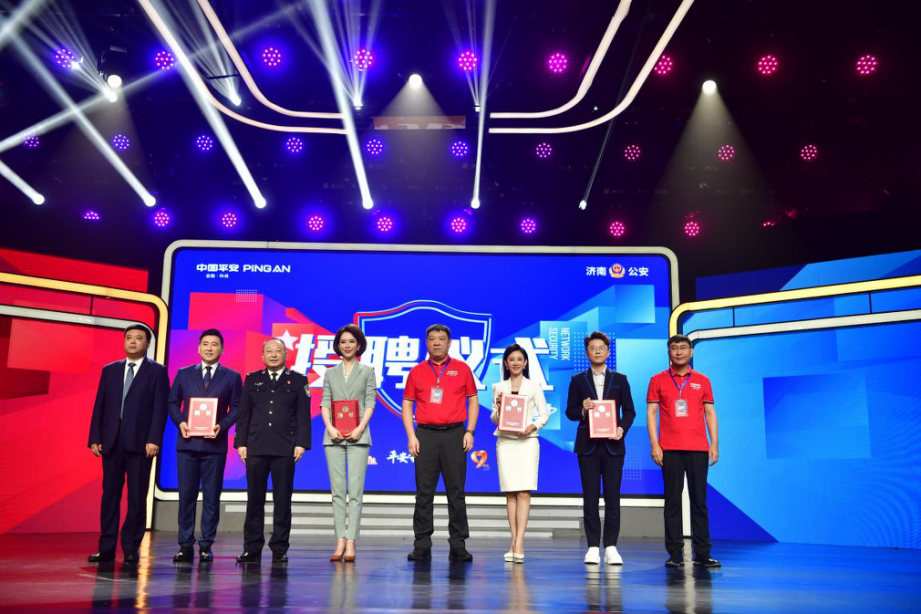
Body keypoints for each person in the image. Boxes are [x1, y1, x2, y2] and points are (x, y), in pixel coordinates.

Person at [87, 324, 169, 564]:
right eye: (129, 338)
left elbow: (160, 409)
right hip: (111, 441)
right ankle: (106, 548)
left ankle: (131, 547)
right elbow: (99, 405)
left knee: (137, 497)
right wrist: (95, 437)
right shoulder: (110, 370)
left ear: (147, 343)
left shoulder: (157, 372)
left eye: (138, 338)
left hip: (141, 444)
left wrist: (154, 438)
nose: (132, 342)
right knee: (109, 496)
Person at [402, 324, 479, 562]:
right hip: (425, 435)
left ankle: (458, 543)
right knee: (424, 493)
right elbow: (407, 405)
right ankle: (422, 543)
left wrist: (470, 431)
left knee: (456, 492)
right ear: (426, 343)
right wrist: (411, 435)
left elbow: (473, 401)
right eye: (432, 339)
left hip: (455, 434)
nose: (436, 343)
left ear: (449, 343)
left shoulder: (462, 369)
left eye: (441, 339)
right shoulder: (417, 371)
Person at [166, 328, 243, 563]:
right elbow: (172, 402)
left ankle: (206, 545)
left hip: (214, 446)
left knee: (211, 497)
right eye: (206, 344)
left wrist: (222, 425)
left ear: (222, 349)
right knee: (186, 497)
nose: (210, 348)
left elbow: (237, 407)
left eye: (214, 344)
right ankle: (185, 545)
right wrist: (181, 423)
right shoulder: (184, 373)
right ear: (199, 348)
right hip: (187, 444)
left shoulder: (232, 376)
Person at [646, 334, 721, 568]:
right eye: (674, 348)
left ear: (691, 352)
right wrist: (655, 444)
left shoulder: (702, 380)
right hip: (669, 449)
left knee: (700, 501)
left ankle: (703, 553)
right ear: (668, 352)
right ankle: (675, 553)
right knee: (672, 502)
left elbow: (710, 413)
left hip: (698, 448)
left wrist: (714, 444)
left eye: (683, 347)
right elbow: (651, 413)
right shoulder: (657, 380)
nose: (678, 351)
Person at [234, 338, 310, 563]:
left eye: (278, 351)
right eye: (269, 351)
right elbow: (244, 414)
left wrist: (301, 443)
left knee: (282, 499)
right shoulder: (252, 379)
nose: (274, 354)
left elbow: (303, 415)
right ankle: (252, 548)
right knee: (254, 500)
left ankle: (279, 548)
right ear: (262, 355)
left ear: (286, 354)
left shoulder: (298, 380)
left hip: (285, 447)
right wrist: (241, 443)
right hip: (256, 446)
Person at [565, 331, 636, 566]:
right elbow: (569, 412)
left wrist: (621, 428)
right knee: (590, 497)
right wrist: (582, 409)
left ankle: (612, 547)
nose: (597, 351)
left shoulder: (620, 379)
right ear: (587, 353)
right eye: (593, 348)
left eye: (601, 347)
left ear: (608, 352)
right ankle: (593, 547)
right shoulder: (577, 380)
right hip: (588, 446)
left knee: (613, 497)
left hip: (613, 445)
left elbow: (630, 411)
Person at [320, 324, 377, 563]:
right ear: (338, 345)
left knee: (355, 491)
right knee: (337, 491)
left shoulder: (367, 371)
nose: (347, 345)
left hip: (358, 435)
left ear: (359, 344)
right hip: (333, 436)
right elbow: (325, 402)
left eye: (351, 341)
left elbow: (370, 401)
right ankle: (339, 540)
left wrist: (360, 428)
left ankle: (351, 540)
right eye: (343, 342)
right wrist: (330, 427)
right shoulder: (330, 373)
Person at [490, 343, 550, 563]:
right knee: (510, 493)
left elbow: (544, 413)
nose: (515, 363)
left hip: (527, 442)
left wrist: (533, 426)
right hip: (506, 442)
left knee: (524, 492)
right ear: (506, 363)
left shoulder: (534, 386)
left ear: (525, 363)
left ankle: (520, 542)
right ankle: (513, 541)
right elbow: (495, 419)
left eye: (519, 359)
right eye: (511, 359)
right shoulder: (499, 387)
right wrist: (498, 408)